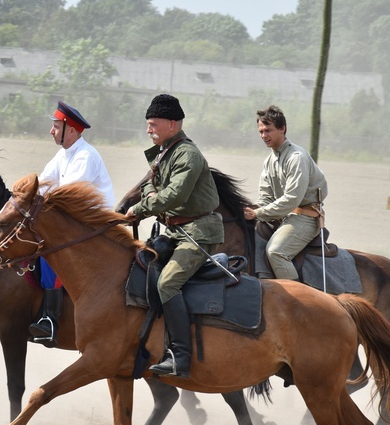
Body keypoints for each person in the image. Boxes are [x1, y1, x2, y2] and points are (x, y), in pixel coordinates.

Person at [125, 94, 223, 377]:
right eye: (147, 124)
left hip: (198, 233)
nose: (148, 129)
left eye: (153, 124)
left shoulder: (187, 154)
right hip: (176, 231)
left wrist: (141, 208)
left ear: (172, 124)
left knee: (167, 284)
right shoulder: (164, 153)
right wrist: (149, 197)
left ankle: (180, 356)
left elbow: (172, 195)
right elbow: (149, 187)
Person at [29, 100, 115, 347]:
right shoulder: (62, 154)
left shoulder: (86, 156)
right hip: (76, 223)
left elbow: (67, 196)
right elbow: (43, 183)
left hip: (94, 227)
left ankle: (51, 320)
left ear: (72, 130)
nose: (51, 131)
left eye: (56, 126)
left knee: (51, 250)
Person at [243, 105, 328, 280]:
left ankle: (297, 301)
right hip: (284, 216)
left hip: (305, 217)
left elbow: (292, 199)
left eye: (268, 130)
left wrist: (258, 213)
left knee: (276, 252)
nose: (264, 136)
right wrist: (251, 210)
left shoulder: (296, 157)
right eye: (261, 131)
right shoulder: (269, 161)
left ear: (282, 129)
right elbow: (265, 197)